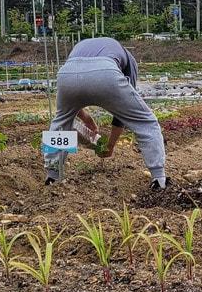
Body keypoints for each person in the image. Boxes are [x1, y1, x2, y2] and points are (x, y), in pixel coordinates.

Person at [45, 37, 166, 189]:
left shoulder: (81, 45)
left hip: (67, 74)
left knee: (61, 123)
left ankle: (52, 177)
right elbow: (121, 117)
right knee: (145, 121)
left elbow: (74, 90)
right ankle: (159, 178)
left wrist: (86, 118)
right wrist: (110, 145)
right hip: (105, 72)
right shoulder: (129, 59)